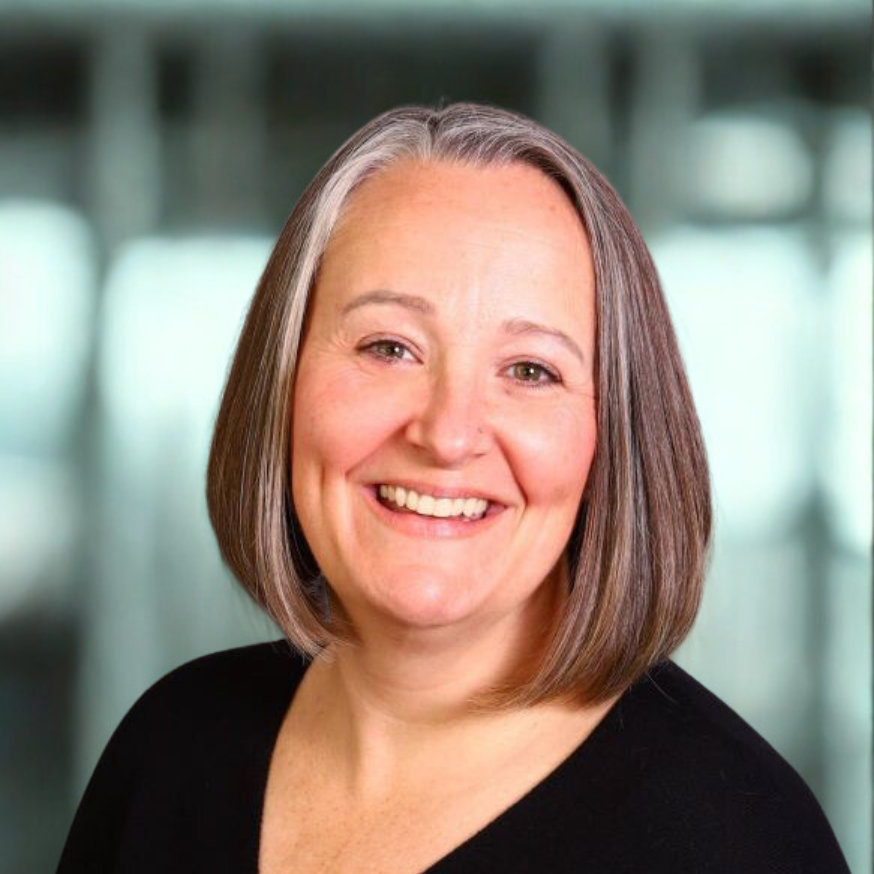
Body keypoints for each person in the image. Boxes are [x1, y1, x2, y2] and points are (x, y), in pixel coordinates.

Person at [56, 103, 850, 873]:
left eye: (531, 370)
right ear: (283, 380)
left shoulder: (737, 839)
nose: (447, 433)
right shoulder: (171, 751)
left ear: (616, 439)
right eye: (389, 347)